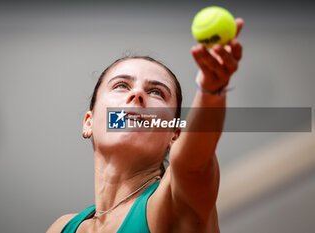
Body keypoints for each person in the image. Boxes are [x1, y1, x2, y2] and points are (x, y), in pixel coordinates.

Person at [47, 18, 244, 233]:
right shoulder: (61, 228)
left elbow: (193, 163)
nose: (137, 94)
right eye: (121, 85)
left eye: (156, 92)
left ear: (174, 135)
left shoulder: (173, 201)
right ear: (89, 122)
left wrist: (210, 93)